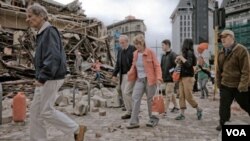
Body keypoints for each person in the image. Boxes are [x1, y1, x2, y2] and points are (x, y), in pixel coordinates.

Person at [26, 3, 86, 141]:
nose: (27, 19)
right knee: (35, 112)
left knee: (46, 110)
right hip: (45, 76)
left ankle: (76, 129)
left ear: (41, 16)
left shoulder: (49, 31)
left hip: (50, 77)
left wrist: (42, 78)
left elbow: (53, 57)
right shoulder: (42, 33)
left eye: (30, 16)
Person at [216, 29, 250, 131]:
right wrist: (219, 84)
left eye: (224, 37)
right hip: (226, 85)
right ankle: (223, 124)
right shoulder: (221, 53)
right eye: (221, 38)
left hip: (239, 85)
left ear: (231, 37)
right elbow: (218, 70)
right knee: (224, 107)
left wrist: (243, 86)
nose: (222, 40)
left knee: (246, 104)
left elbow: (246, 70)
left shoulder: (241, 50)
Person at [126, 34, 162, 129]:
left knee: (150, 100)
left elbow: (157, 66)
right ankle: (134, 121)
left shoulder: (150, 52)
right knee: (135, 97)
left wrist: (158, 78)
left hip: (150, 79)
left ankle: (153, 119)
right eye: (135, 44)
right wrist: (130, 73)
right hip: (139, 79)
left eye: (138, 43)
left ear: (143, 43)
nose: (137, 46)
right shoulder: (135, 53)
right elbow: (134, 66)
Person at [174, 38, 203, 120]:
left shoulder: (189, 53)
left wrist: (182, 58)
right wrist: (178, 60)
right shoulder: (184, 54)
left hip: (188, 77)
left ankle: (198, 109)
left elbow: (189, 64)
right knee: (181, 96)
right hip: (181, 77)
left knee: (188, 96)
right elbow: (182, 64)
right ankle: (182, 114)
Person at [112, 35, 136, 119]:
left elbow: (135, 62)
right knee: (123, 92)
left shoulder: (133, 49)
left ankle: (132, 110)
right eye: (120, 43)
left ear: (127, 41)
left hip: (131, 75)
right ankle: (129, 110)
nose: (121, 44)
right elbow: (118, 64)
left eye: (122, 42)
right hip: (122, 75)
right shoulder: (120, 50)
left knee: (127, 92)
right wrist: (114, 74)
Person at [160, 39, 179, 116]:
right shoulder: (163, 56)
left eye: (163, 45)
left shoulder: (173, 54)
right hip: (165, 78)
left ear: (167, 45)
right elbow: (161, 67)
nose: (162, 47)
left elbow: (177, 65)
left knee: (168, 94)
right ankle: (176, 107)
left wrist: (172, 73)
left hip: (171, 78)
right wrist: (161, 76)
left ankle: (164, 111)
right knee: (171, 93)